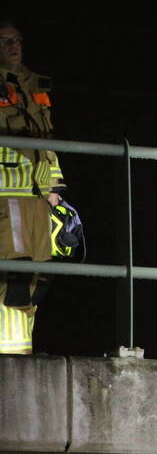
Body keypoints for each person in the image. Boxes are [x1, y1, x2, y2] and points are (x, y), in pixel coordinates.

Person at [0, 18, 66, 355]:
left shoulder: (33, 85)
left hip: (39, 194)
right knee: (14, 276)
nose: (13, 46)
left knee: (39, 275)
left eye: (17, 39)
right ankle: (9, 358)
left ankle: (21, 352)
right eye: (5, 40)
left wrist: (56, 185)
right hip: (7, 191)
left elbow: (47, 138)